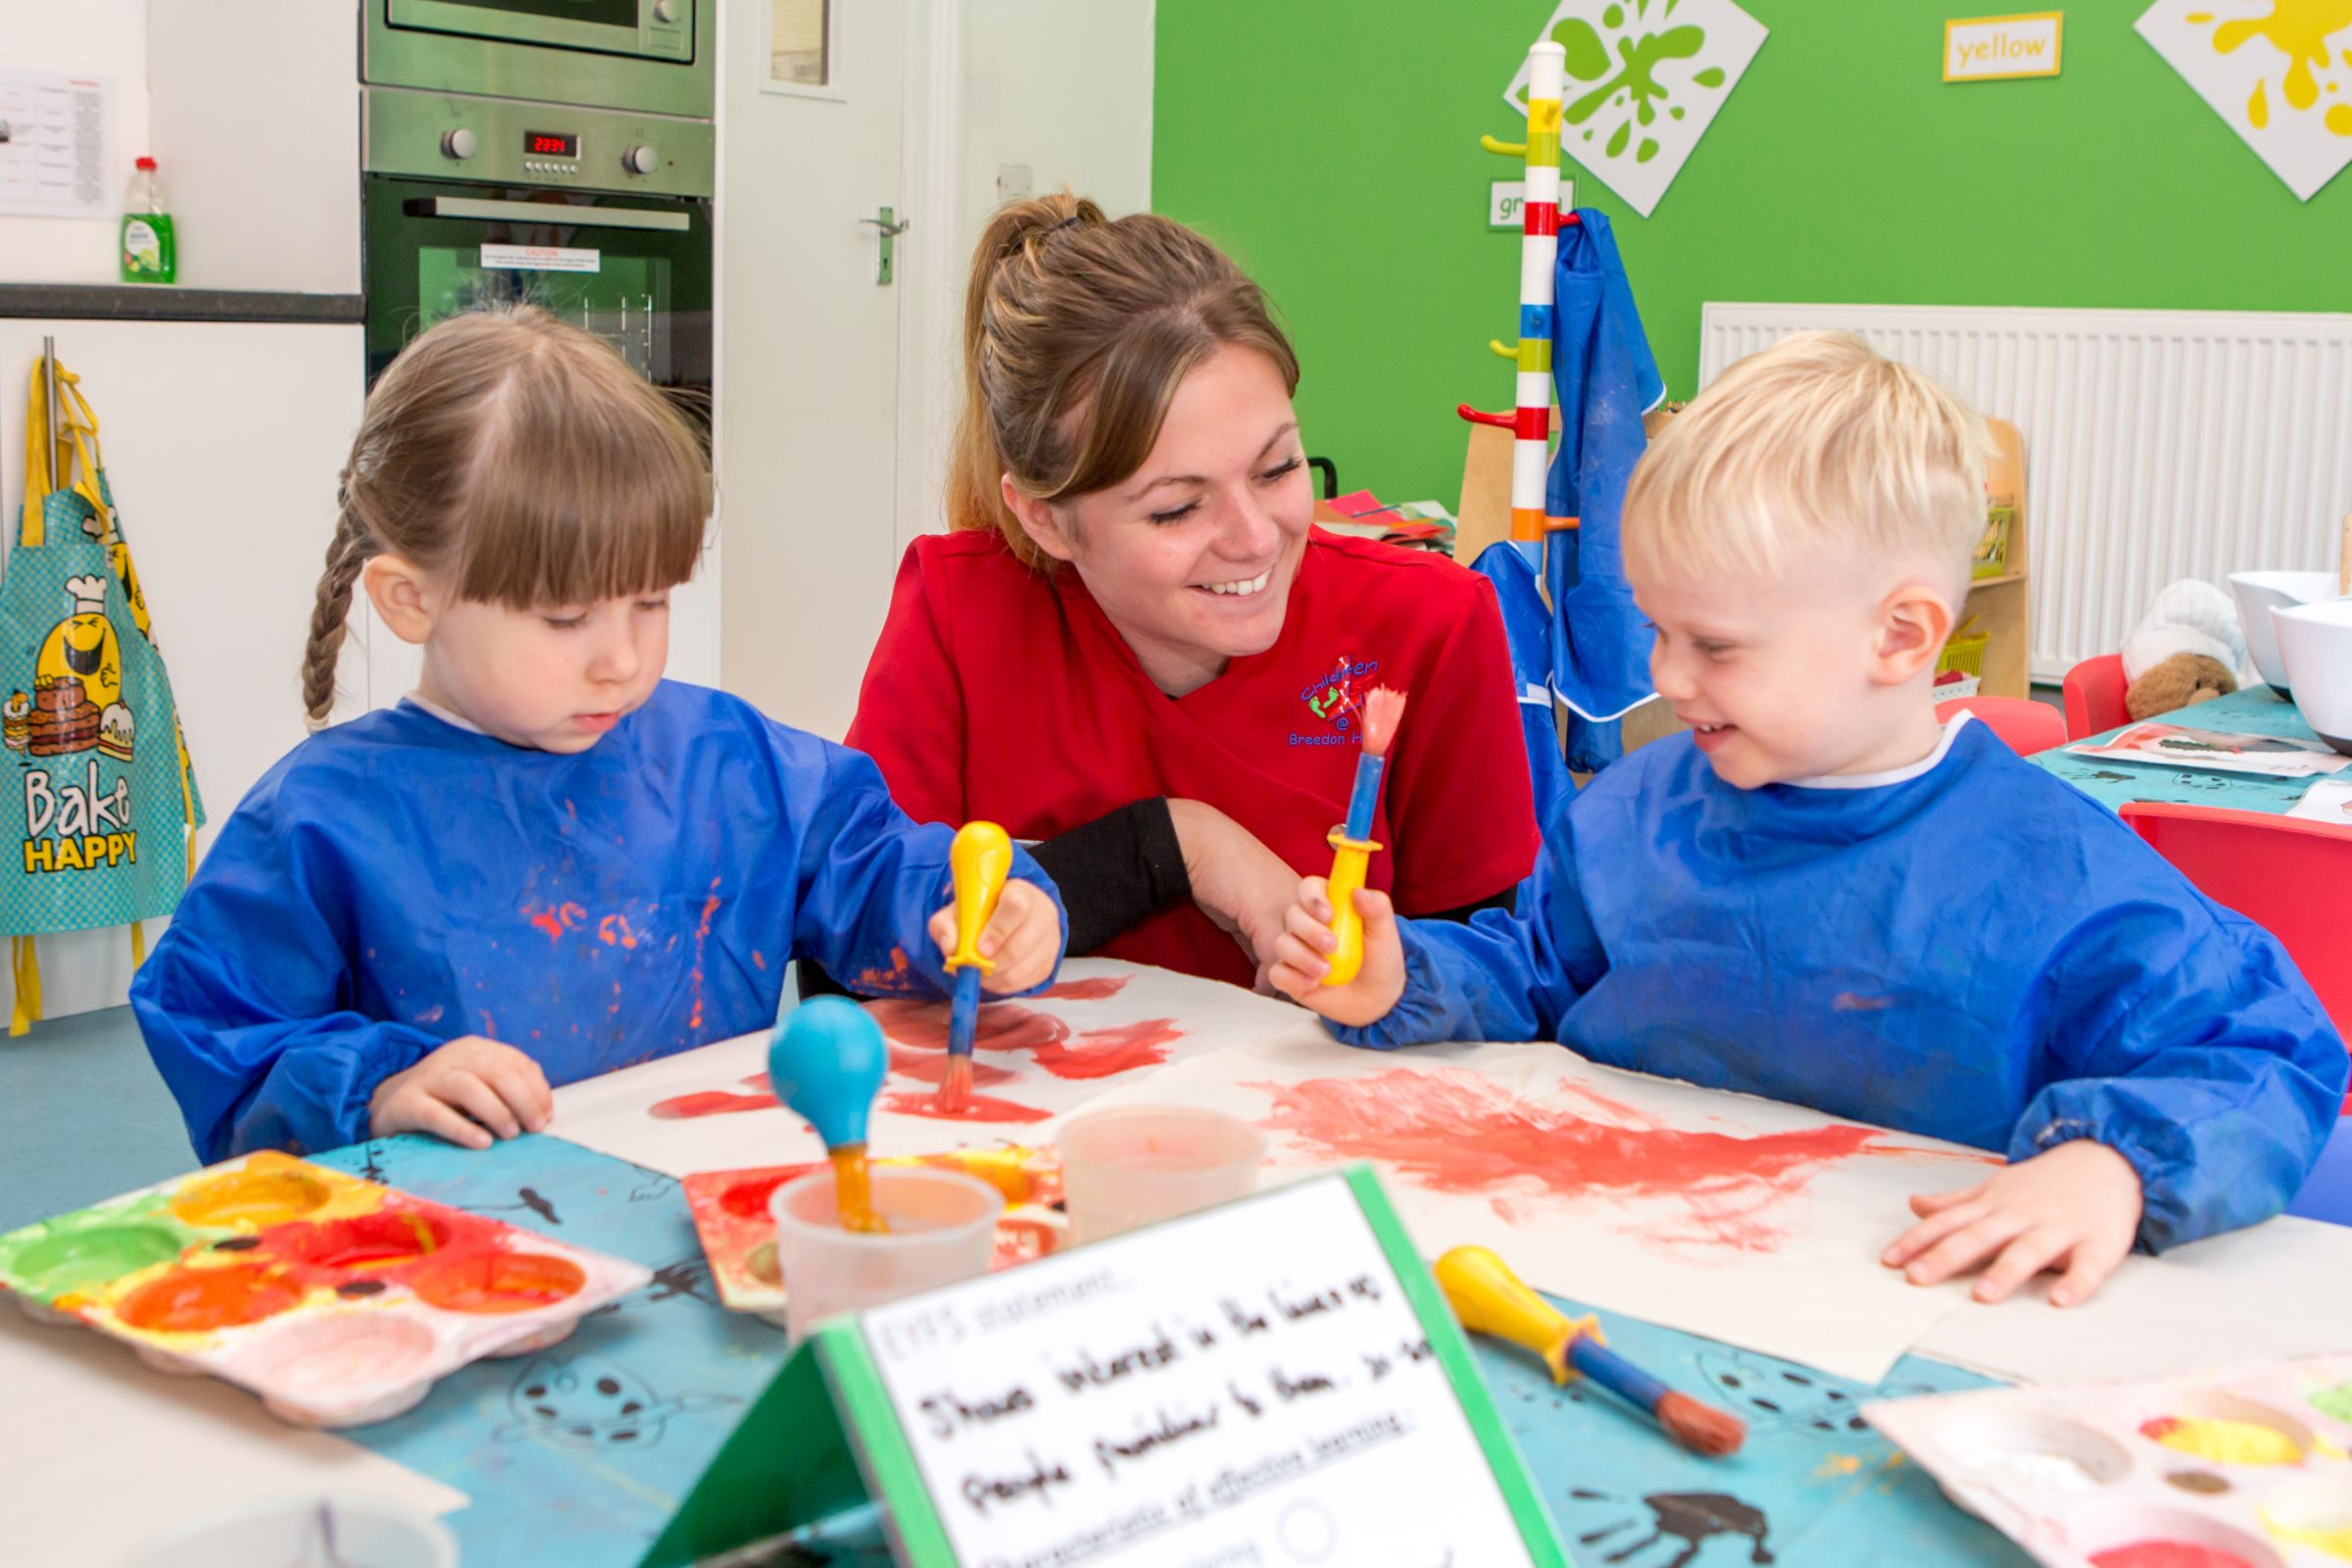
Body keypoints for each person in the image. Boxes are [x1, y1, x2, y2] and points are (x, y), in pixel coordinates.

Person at [1268, 330, 2346, 1306]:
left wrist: (2116, 1164)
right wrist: (1409, 976)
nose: (1664, 676)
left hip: (1909, 1299)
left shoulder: (2055, 873)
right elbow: (1540, 969)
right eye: (1659, 629)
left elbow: (2266, 1051)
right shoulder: (1634, 811)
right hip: (1615, 1259)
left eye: (1717, 645)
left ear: (1901, 635)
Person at [133, 307, 1063, 1163]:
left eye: (651, 601)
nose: (621, 659)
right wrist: (379, 1088)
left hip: (696, 1201)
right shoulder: (321, 820)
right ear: (411, 599)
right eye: (567, 617)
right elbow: (224, 1037)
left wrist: (988, 911)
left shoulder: (728, 764)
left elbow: (873, 866)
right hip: (460, 1251)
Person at [844, 194, 1539, 990]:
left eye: (1277, 468)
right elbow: (859, 942)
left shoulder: (1433, 623)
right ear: (1047, 522)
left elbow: (1503, 989)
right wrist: (1177, 848)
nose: (1253, 537)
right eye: (1177, 507)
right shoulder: (957, 609)